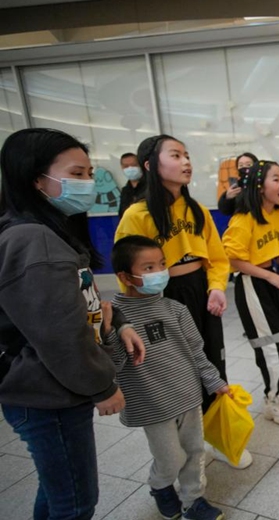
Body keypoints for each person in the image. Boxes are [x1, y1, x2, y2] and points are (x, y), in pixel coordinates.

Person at [0, 128, 144, 520]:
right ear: (36, 179)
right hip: (48, 395)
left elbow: (81, 303)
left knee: (58, 492)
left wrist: (117, 325)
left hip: (46, 389)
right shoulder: (34, 241)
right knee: (76, 502)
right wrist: (102, 386)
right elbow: (59, 335)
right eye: (75, 174)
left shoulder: (44, 231)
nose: (86, 184)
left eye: (88, 173)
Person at [115, 134, 252, 469]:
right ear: (150, 166)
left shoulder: (198, 210)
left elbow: (218, 258)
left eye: (187, 155)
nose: (186, 162)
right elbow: (124, 268)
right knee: (177, 370)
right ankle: (189, 445)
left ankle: (216, 436)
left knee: (212, 363)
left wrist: (217, 287)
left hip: (201, 291)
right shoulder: (138, 214)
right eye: (175, 155)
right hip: (161, 297)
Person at [106, 236, 229, 520]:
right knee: (171, 459)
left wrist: (214, 382)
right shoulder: (115, 318)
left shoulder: (175, 309)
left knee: (195, 452)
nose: (160, 271)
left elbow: (197, 352)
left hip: (187, 396)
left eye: (162, 264)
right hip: (152, 404)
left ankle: (193, 500)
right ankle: (160, 486)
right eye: (148, 267)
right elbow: (116, 363)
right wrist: (111, 331)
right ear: (125, 276)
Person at [222, 161, 279, 424]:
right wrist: (271, 276)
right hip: (253, 284)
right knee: (270, 346)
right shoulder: (243, 220)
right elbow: (233, 260)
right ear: (259, 187)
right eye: (277, 179)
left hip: (272, 281)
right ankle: (272, 399)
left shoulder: (278, 214)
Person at [118, 152, 146, 217]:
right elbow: (122, 214)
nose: (130, 168)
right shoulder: (125, 191)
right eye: (126, 166)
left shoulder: (151, 187)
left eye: (134, 165)